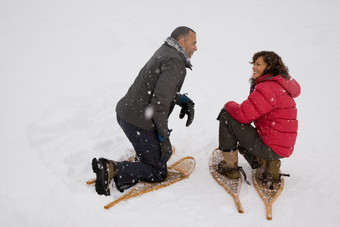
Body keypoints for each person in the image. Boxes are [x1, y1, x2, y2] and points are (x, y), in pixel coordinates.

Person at [91, 26, 197, 195]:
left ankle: (145, 154)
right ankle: (112, 168)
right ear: (181, 42)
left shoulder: (166, 51)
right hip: (138, 122)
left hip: (127, 113)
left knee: (155, 155)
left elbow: (157, 89)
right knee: (157, 171)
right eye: (193, 43)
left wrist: (182, 100)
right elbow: (158, 105)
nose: (196, 48)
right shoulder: (176, 62)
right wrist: (164, 138)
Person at [217, 51, 301, 183]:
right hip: (281, 147)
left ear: (269, 67)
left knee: (227, 117)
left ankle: (230, 169)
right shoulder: (280, 86)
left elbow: (243, 115)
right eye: (254, 64)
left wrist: (228, 105)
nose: (253, 67)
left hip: (270, 147)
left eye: (258, 64)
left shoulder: (268, 88)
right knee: (243, 128)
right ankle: (268, 164)